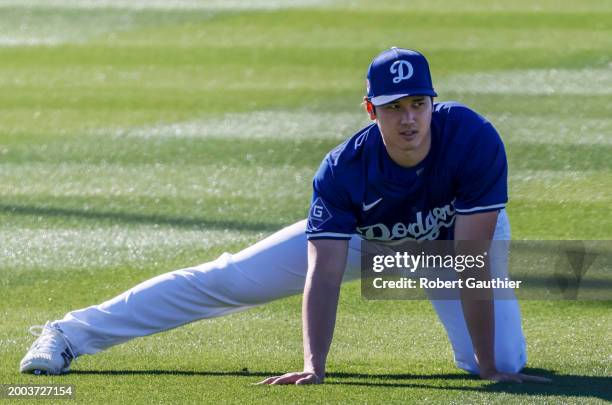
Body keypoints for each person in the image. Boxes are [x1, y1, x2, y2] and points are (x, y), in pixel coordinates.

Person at [20, 47, 548, 384]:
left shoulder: (473, 138)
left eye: (417, 103)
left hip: (451, 245)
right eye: (393, 106)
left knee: (503, 361)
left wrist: (490, 371)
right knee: (226, 279)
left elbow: (471, 260)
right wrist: (314, 367)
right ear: (371, 110)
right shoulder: (344, 168)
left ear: (433, 101)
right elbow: (323, 274)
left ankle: (487, 358)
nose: (408, 117)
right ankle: (68, 334)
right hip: (370, 236)